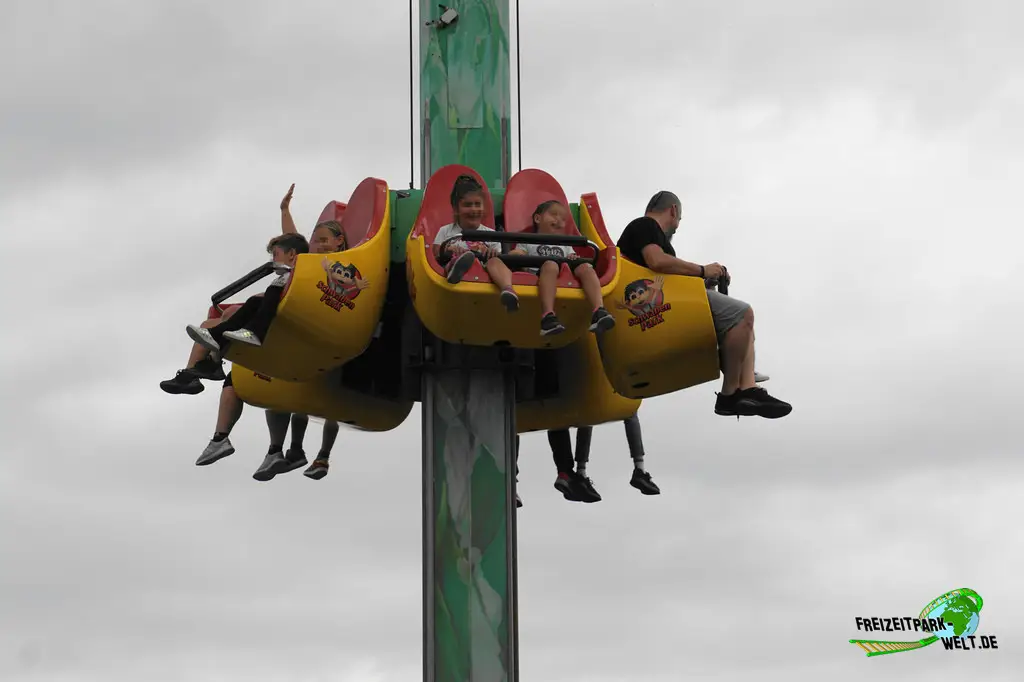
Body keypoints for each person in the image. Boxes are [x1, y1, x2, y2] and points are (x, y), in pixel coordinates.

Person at [616, 191, 791, 418]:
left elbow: (663, 275)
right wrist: (702, 270)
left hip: (659, 304)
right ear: (673, 211)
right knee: (741, 313)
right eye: (679, 220)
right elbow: (656, 262)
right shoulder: (645, 225)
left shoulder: (647, 233)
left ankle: (746, 385)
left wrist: (704, 282)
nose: (677, 226)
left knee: (744, 323)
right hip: (651, 305)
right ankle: (731, 394)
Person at [508, 200, 615, 336]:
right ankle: (547, 315)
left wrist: (574, 259)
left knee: (586, 266)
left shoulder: (564, 243)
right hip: (541, 274)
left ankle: (599, 310)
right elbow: (518, 254)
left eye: (563, 219)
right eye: (553, 214)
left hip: (565, 274)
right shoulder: (529, 241)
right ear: (537, 218)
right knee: (551, 265)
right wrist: (514, 254)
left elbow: (572, 257)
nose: (558, 220)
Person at [433, 174, 519, 311]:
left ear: (483, 208)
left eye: (477, 204)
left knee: (495, 261)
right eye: (467, 205)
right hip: (457, 268)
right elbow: (436, 252)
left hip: (484, 274)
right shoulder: (446, 231)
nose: (473, 209)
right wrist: (449, 249)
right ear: (456, 209)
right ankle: (455, 269)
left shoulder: (491, 234)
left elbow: (499, 255)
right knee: (456, 258)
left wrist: (492, 253)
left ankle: (507, 289)